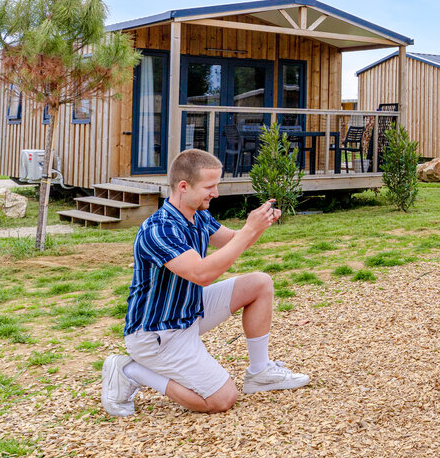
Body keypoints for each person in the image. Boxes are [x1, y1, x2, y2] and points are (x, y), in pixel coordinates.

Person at [100, 149, 309, 417]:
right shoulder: (159, 229)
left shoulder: (197, 217)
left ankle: (260, 372)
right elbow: (202, 274)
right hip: (156, 334)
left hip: (187, 314)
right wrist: (248, 231)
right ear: (184, 187)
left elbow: (234, 241)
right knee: (221, 399)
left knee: (259, 283)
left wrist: (257, 225)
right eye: (210, 186)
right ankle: (131, 370)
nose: (216, 193)